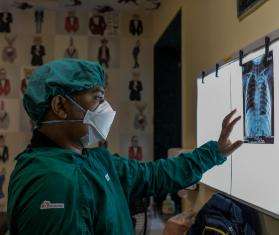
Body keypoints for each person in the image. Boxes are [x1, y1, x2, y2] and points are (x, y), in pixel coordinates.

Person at [7, 59, 243, 235]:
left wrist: (214, 152)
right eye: (96, 97)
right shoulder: (52, 182)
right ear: (60, 105)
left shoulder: (94, 160)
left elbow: (152, 175)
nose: (105, 108)